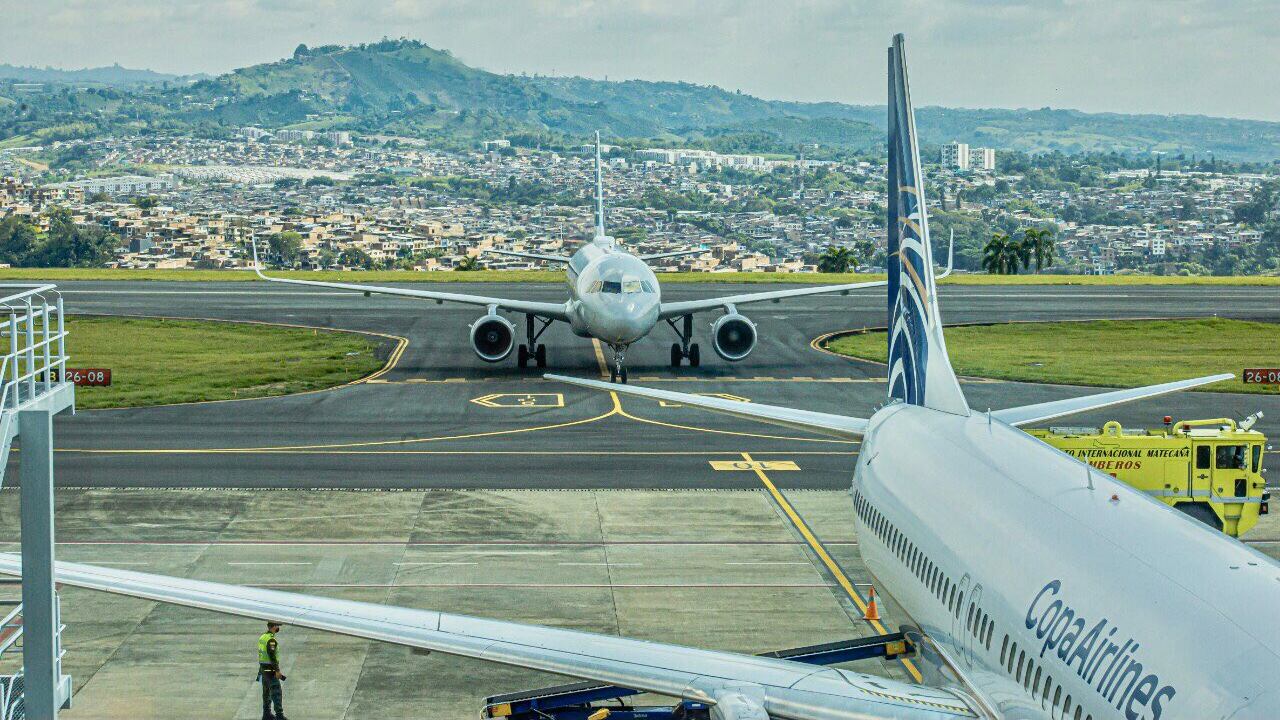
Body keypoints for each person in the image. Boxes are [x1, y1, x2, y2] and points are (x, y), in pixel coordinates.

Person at [257, 621, 288, 720]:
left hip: (262, 668)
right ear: (273, 626)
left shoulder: (262, 637)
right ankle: (279, 715)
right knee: (276, 692)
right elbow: (272, 656)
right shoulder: (271, 640)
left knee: (266, 692)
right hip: (270, 669)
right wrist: (277, 670)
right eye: (277, 625)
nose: (278, 627)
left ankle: (266, 714)